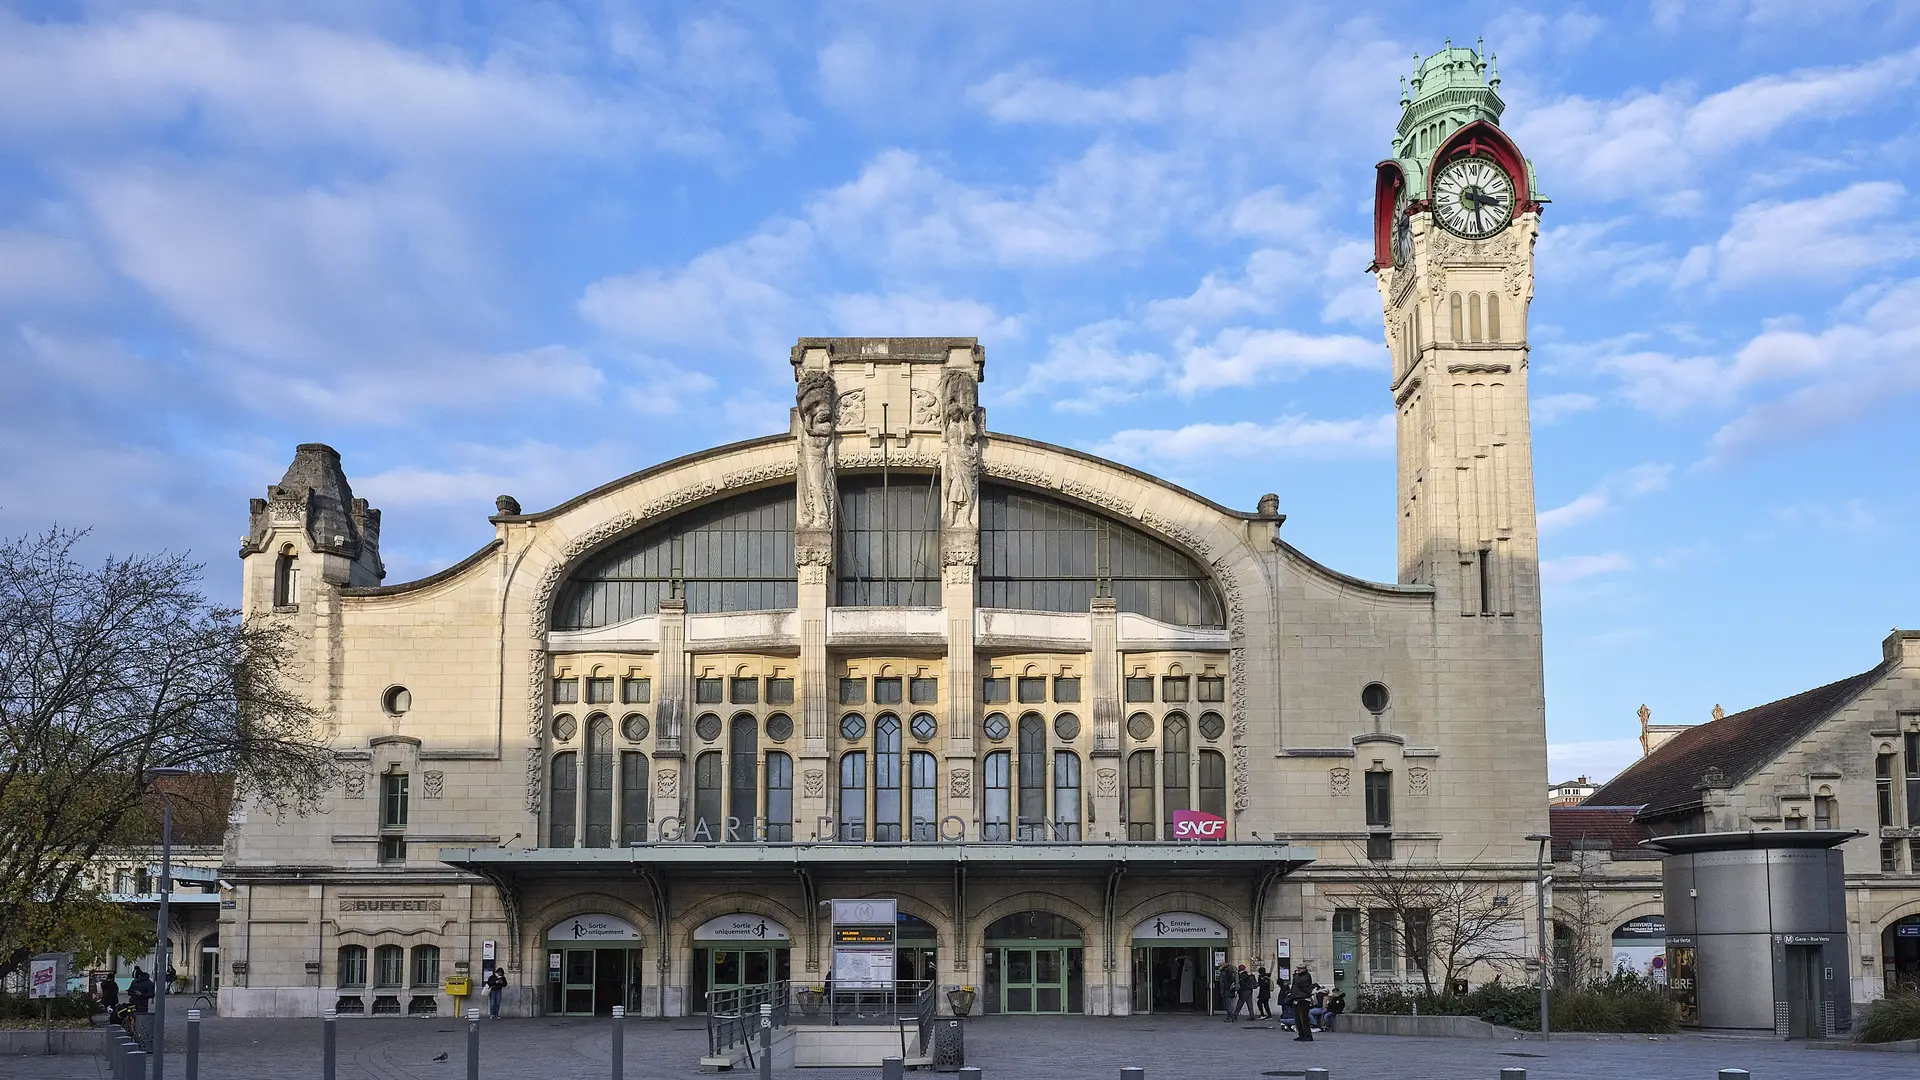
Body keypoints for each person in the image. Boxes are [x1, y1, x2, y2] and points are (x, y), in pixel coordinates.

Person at [1288, 967, 1315, 1042]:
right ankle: (1301, 1034)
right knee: (1297, 1019)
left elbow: (1300, 984)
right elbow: (1294, 986)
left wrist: (1295, 976)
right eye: (1298, 968)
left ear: (1304, 969)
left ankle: (1308, 1035)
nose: (1298, 970)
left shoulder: (1306, 976)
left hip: (1304, 999)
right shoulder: (1296, 976)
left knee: (1304, 1019)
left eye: (1300, 969)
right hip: (1296, 998)